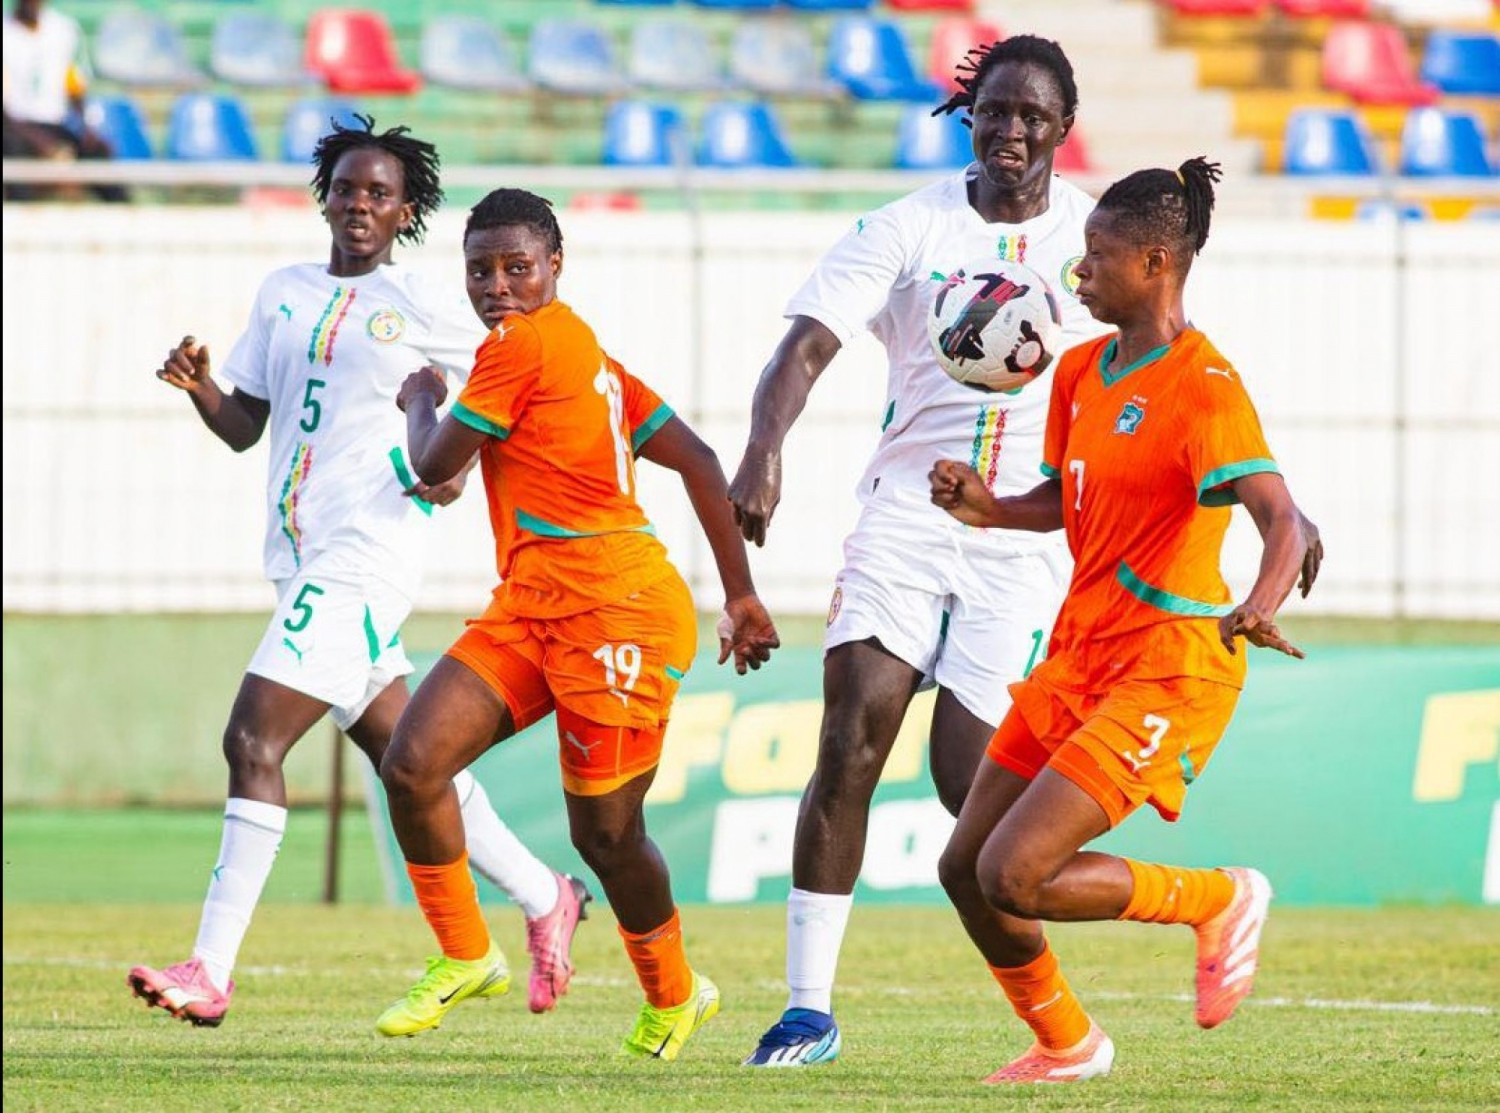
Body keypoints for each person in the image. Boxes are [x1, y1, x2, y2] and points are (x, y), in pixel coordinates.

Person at [127, 118, 591, 1028]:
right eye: (346, 188)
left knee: (252, 741)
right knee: (409, 762)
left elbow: (504, 382)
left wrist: (451, 463)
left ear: (405, 208)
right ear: (325, 197)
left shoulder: (423, 302)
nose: (360, 205)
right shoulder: (284, 292)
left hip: (365, 553)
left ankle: (210, 970)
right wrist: (202, 386)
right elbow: (246, 424)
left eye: (379, 193)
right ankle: (547, 895)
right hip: (296, 558)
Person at [728, 36, 1105, 1067]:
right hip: (902, 515)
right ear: (966, 117)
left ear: (1062, 129)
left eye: (1033, 115)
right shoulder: (908, 226)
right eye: (995, 111)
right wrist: (764, 451)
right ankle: (808, 1008)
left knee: (965, 793)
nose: (1012, 130)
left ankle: (1063, 1025)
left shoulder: (1095, 240)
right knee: (851, 740)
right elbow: (803, 349)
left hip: (1018, 539)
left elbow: (1150, 370)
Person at [927, 157, 1322, 1084]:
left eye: (1096, 257)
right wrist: (987, 505)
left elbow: (1282, 516)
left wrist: (1258, 604)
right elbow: (1068, 500)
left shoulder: (1206, 385)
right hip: (1080, 652)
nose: (1078, 273)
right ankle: (1067, 1042)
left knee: (1013, 873)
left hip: (1171, 663)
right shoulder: (1077, 372)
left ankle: (1218, 897)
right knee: (964, 866)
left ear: (1155, 262)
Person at [376, 187, 780, 1058]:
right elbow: (703, 460)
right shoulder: (586, 356)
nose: (498, 286)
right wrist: (739, 594)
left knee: (605, 833)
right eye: (480, 269)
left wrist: (419, 396)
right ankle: (464, 952)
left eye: (517, 266)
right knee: (413, 763)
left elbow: (432, 463)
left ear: (555, 264)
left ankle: (675, 995)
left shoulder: (522, 346)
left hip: (615, 607)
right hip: (533, 602)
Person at [2, 0, 126, 201]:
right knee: (13, 149)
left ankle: (126, 220)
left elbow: (74, 88)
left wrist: (87, 130)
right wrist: (39, 141)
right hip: (14, 128)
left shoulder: (63, 29)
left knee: (98, 152)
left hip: (54, 124)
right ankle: (21, 222)